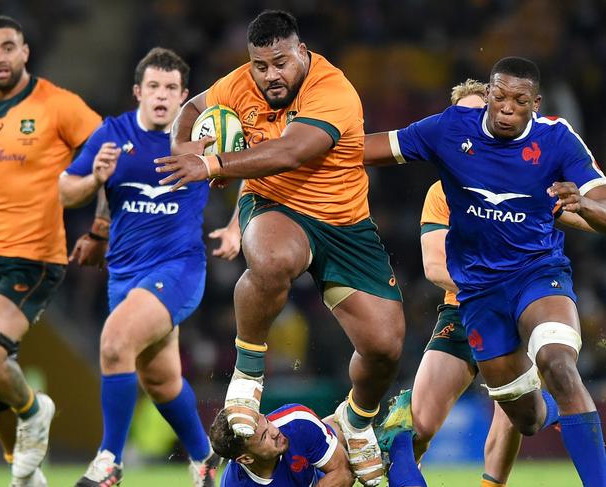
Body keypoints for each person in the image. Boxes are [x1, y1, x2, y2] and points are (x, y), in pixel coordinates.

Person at [155, 10, 405, 486]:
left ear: (302, 53)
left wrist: (212, 163)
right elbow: (190, 110)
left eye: (281, 63)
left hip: (345, 223)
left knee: (384, 348)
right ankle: (247, 379)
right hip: (275, 205)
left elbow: (293, 151)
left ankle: (355, 422)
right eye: (260, 65)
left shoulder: (334, 90)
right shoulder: (238, 84)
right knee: (272, 259)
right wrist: (184, 147)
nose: (271, 75)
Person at [365, 57, 606, 486]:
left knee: (557, 361)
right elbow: (362, 149)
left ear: (536, 103)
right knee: (526, 417)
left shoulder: (557, 139)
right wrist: (292, 147)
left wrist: (584, 204)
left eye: (519, 100)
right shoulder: (447, 145)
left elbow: (600, 208)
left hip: (537, 276)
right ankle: (541, 413)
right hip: (474, 299)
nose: (506, 108)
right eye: (498, 98)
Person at [59, 47, 224, 487]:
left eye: (172, 88)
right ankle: (205, 459)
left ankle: (110, 460)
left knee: (114, 342)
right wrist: (94, 181)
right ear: (138, 91)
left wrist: (236, 227)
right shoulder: (111, 134)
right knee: (161, 380)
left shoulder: (201, 138)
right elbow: (64, 190)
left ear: (184, 95)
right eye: (154, 86)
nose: (162, 96)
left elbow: (258, 170)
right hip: (125, 273)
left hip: (179, 268)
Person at [0, 15, 101, 487]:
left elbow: (111, 154)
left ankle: (34, 409)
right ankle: (22, 470)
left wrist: (101, 225)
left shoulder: (60, 105)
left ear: (25, 53)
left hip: (35, 255)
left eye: (8, 47)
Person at [210, 404, 354, 486]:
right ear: (246, 459)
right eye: (264, 437)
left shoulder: (297, 421)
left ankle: (356, 423)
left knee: (342, 430)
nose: (275, 431)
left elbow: (344, 474)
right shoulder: (234, 484)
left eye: (267, 420)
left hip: (321, 472)